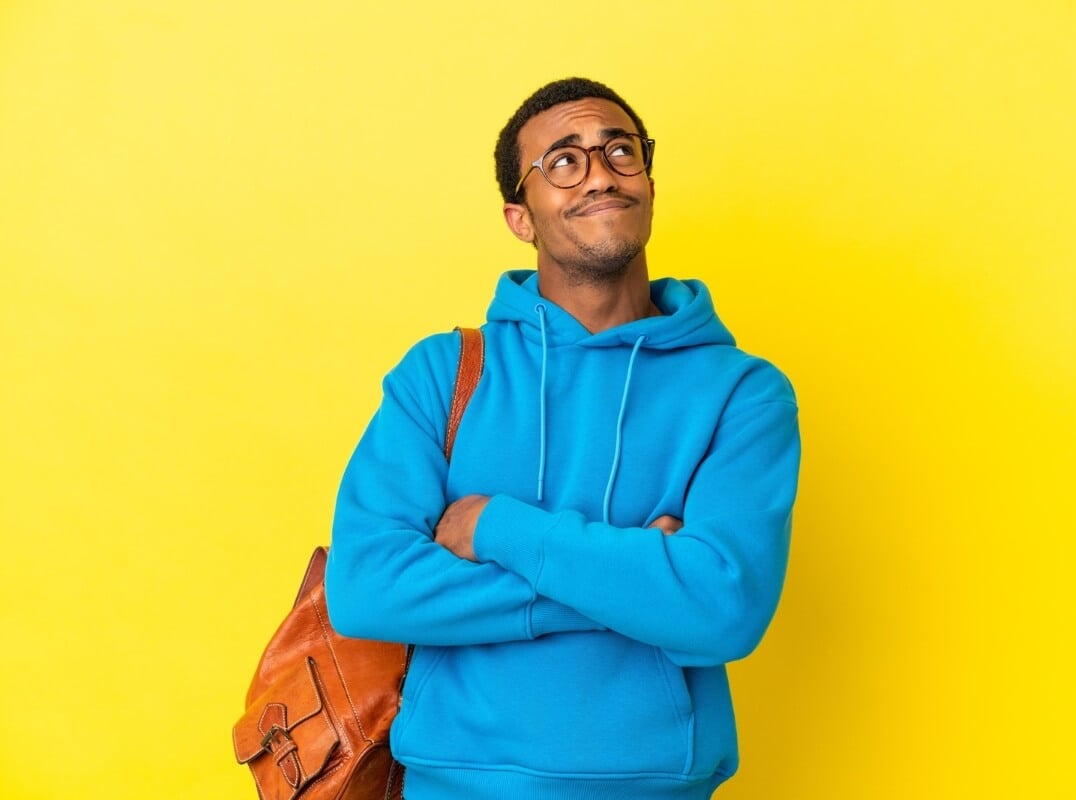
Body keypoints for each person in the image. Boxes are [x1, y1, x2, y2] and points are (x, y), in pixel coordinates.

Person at [327, 77, 801, 800]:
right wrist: (641, 578)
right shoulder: (442, 373)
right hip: (450, 785)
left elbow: (724, 611)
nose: (602, 174)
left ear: (647, 180)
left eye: (620, 151)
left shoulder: (742, 391)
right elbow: (367, 591)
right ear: (521, 216)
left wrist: (495, 525)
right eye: (564, 162)